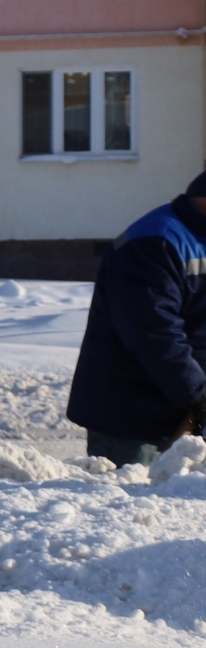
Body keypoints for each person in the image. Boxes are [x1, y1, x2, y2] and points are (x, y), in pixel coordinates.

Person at [68, 171, 206, 465]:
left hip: (191, 410)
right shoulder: (153, 243)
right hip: (134, 419)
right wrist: (198, 395)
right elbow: (154, 333)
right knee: (131, 503)